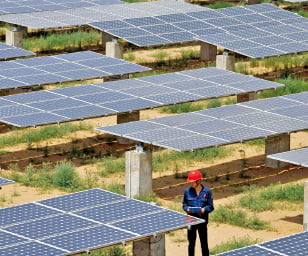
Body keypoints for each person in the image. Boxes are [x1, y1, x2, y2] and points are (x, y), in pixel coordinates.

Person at [182, 169, 214, 256]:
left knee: (204, 244)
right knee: (191, 244)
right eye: (190, 182)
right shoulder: (187, 192)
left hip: (202, 221)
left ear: (198, 181)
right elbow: (184, 204)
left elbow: (211, 206)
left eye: (193, 182)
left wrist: (204, 210)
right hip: (191, 222)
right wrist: (187, 209)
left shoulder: (207, 192)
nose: (191, 183)